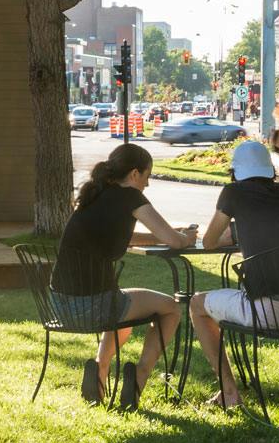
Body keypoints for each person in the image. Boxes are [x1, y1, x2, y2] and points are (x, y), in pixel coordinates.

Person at [190, 140, 279, 408]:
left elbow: (209, 241)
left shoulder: (234, 193)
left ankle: (229, 393)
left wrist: (236, 231)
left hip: (267, 311)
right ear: (271, 170)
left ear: (236, 172)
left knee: (197, 304)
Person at [53, 143, 191, 409]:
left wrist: (162, 237)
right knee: (172, 309)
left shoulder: (96, 196)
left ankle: (100, 370)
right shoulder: (130, 197)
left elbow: (127, 237)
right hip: (93, 305)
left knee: (124, 311)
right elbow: (173, 240)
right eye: (148, 177)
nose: (147, 185)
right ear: (135, 173)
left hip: (59, 305)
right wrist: (186, 237)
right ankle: (138, 378)